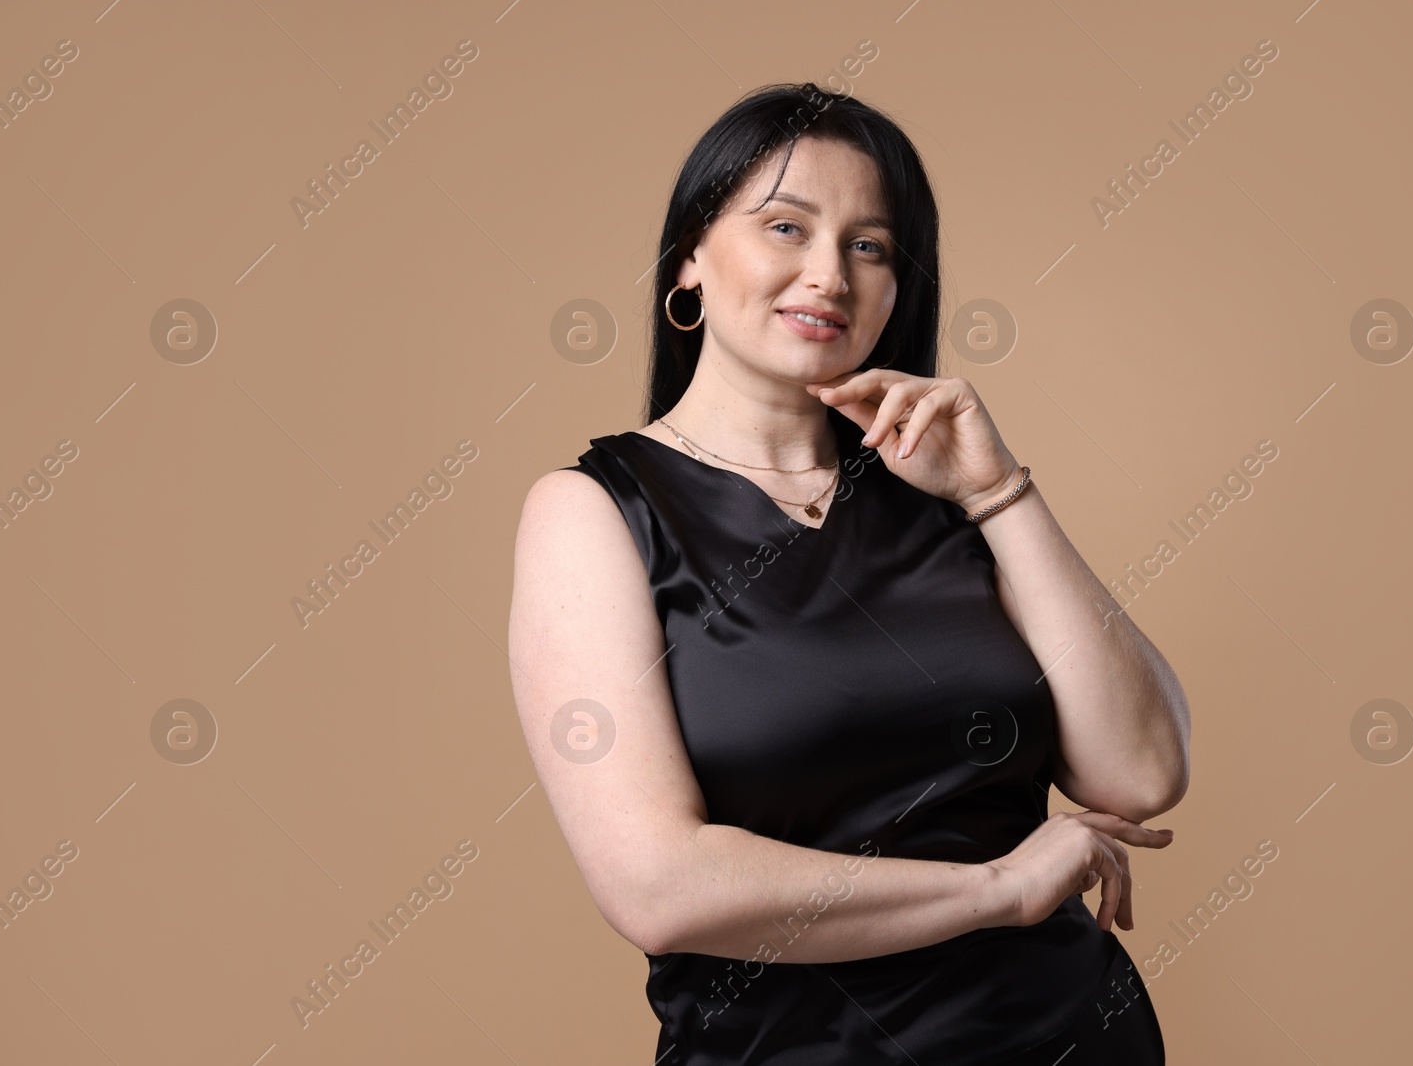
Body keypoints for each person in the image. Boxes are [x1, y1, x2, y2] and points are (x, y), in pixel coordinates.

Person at [509, 82, 1189, 1065]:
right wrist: (994, 889)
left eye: (869, 246)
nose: (828, 273)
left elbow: (1143, 770)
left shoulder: (948, 499)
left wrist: (997, 488)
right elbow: (658, 884)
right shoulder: (597, 511)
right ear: (691, 256)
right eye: (787, 226)